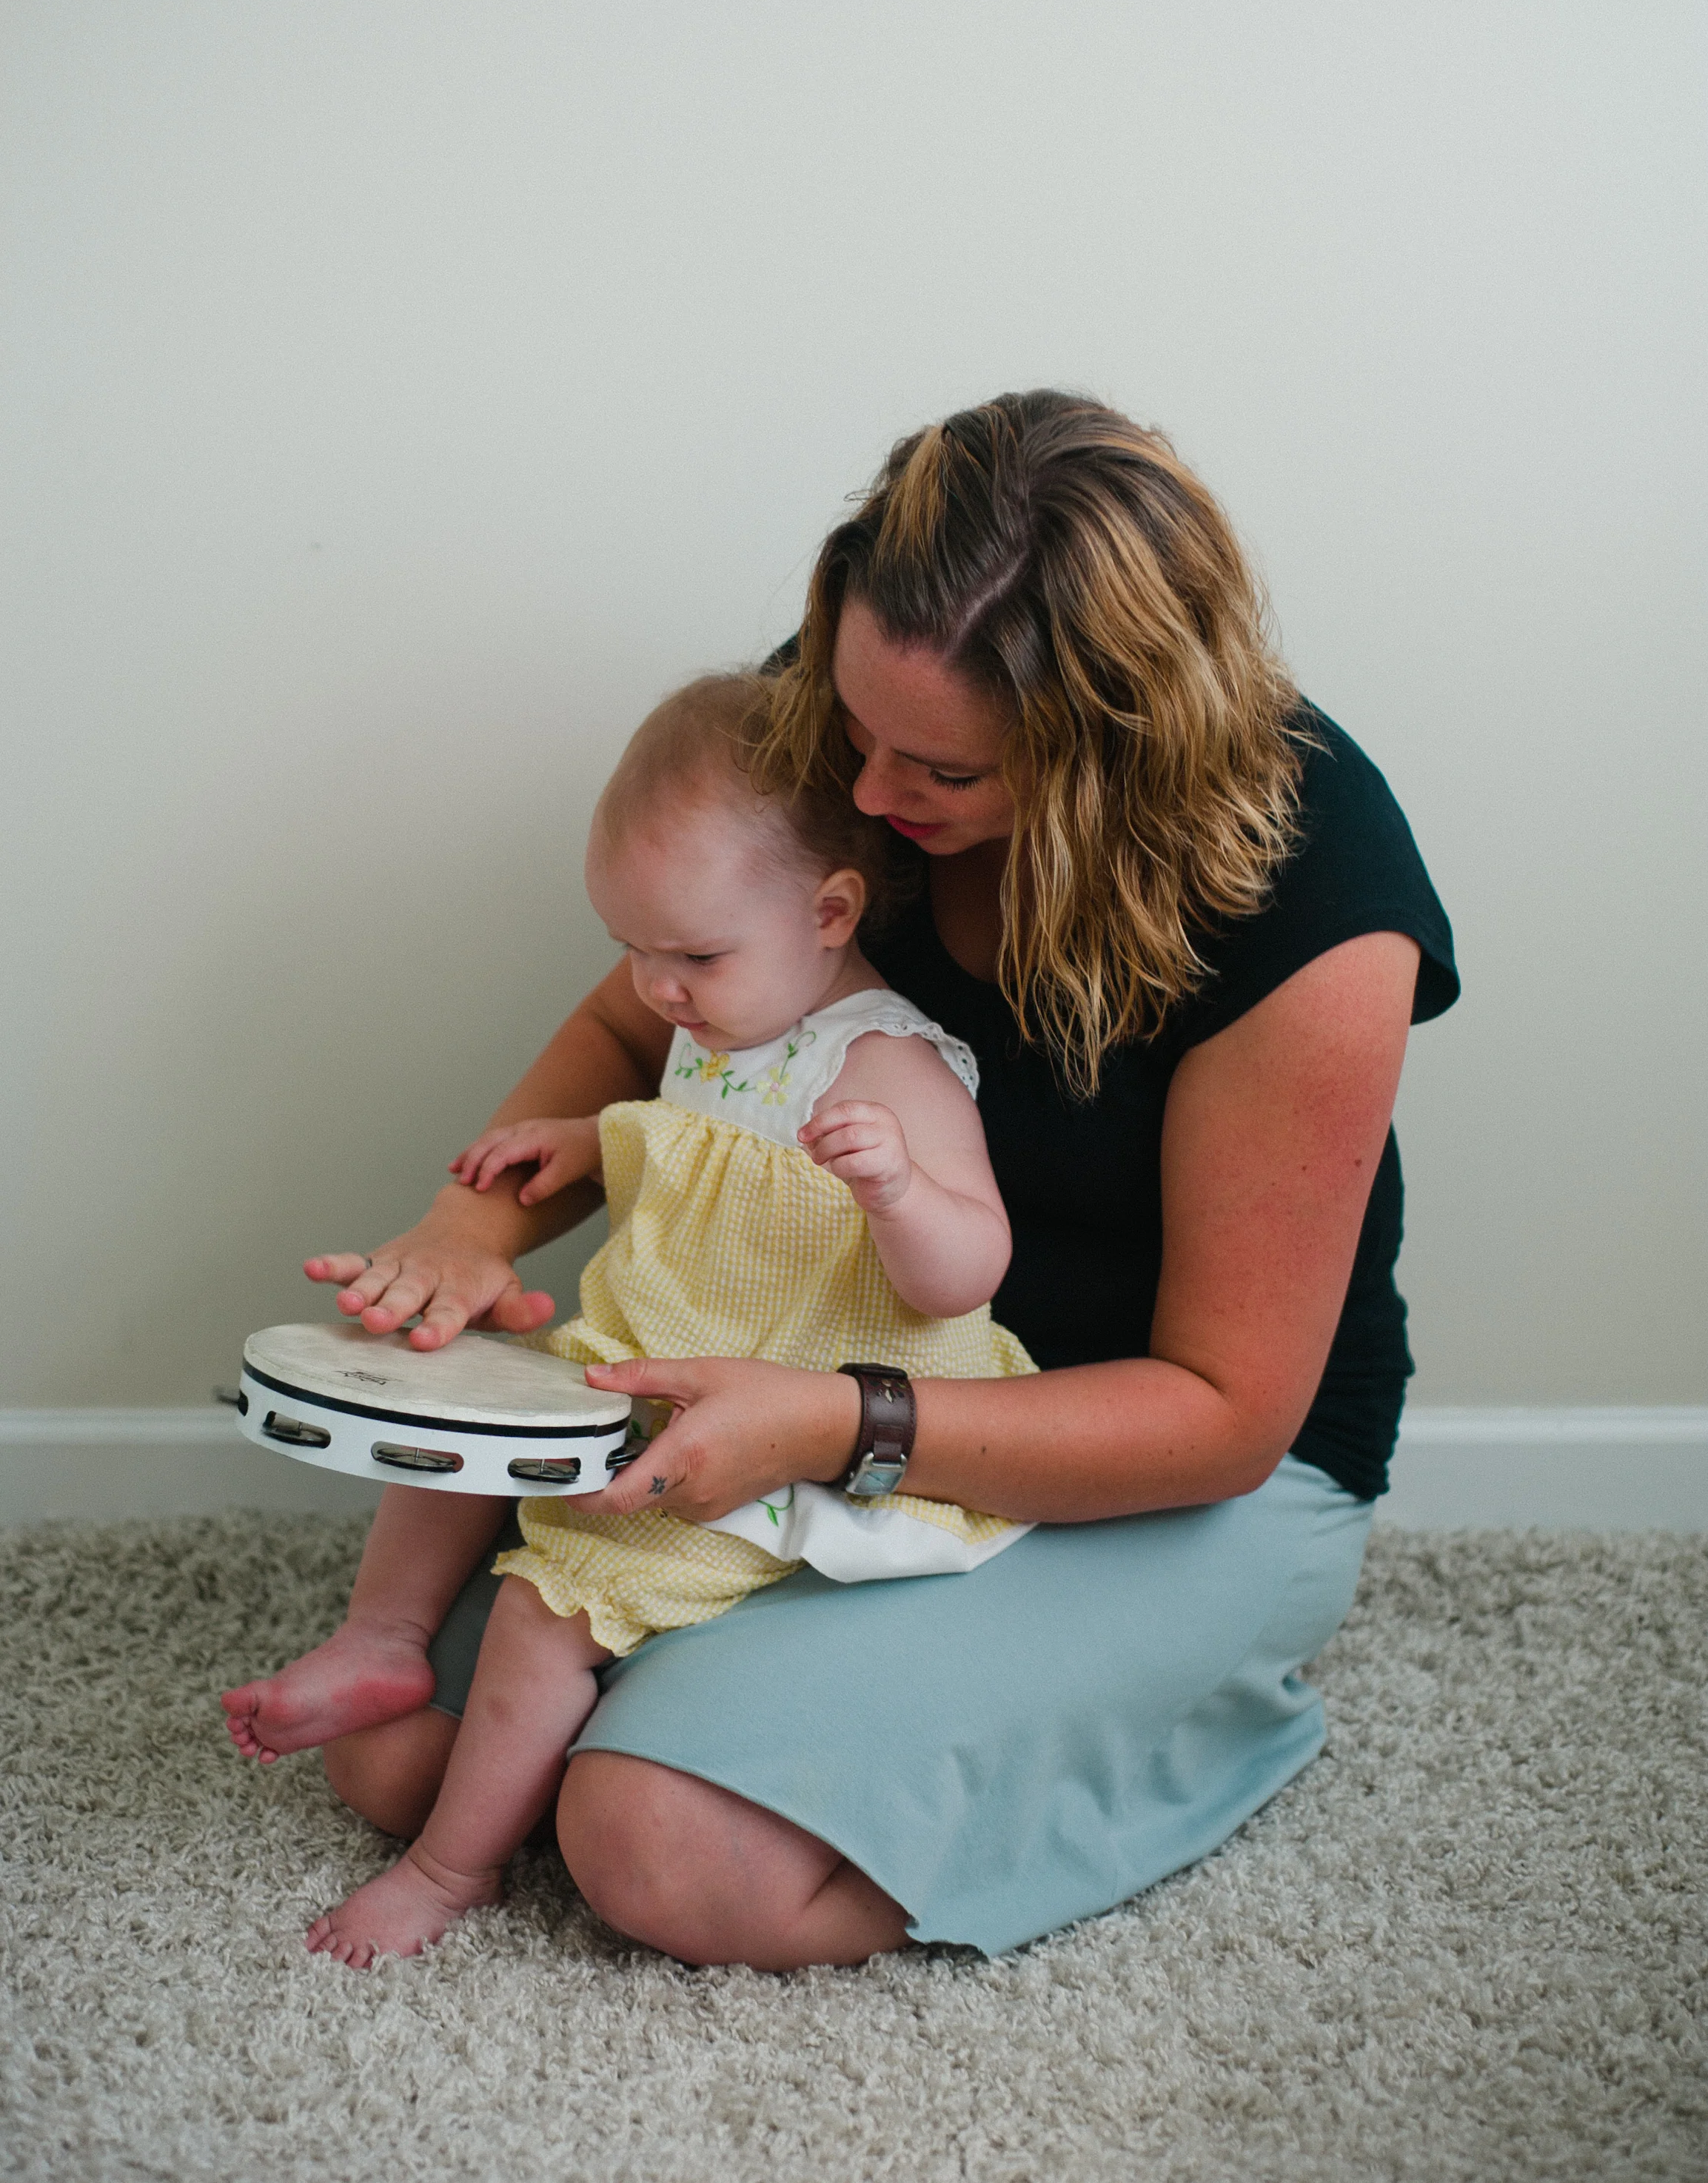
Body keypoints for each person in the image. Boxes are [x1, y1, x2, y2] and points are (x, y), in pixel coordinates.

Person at [291, 391, 1458, 1971]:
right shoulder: (850, 726)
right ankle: (768, 1696)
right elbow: (647, 1014)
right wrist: (467, 1226)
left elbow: (1224, 1407)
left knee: (647, 1843)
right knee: (398, 1759)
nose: (865, 781)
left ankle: (1193, 1731)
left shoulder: (1313, 884)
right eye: (849, 722)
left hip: (1164, 1457)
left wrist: (845, 1426)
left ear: (1107, 741)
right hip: (818, 1376)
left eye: (940, 769)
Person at [223, 672, 1034, 1965]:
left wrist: (897, 1188)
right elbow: (697, 1141)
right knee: (465, 1413)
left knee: (551, 1610)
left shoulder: (887, 1064)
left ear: (830, 910)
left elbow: (967, 1270)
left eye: (691, 955)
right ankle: (379, 1638)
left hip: (783, 1427)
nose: (656, 988)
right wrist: (583, 1142)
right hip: (643, 1366)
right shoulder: (720, 1017)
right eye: (633, 950)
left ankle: (451, 1870)